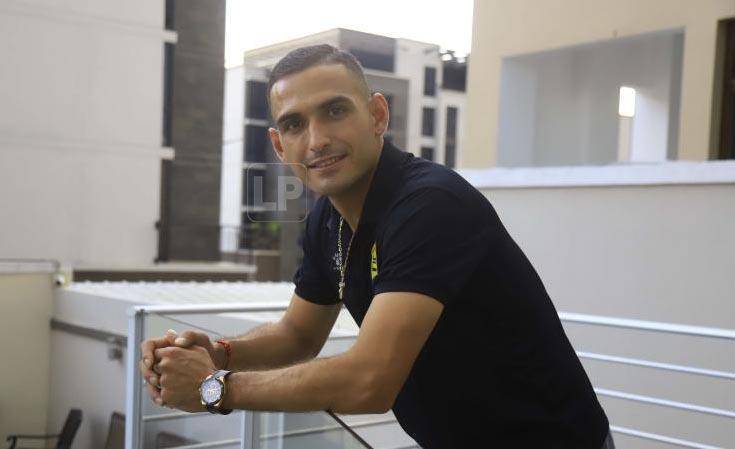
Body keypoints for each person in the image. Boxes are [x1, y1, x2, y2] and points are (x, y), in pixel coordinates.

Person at [140, 44, 614, 448]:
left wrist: (216, 388)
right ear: (279, 146)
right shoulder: (327, 218)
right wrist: (220, 353)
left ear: (377, 115)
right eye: (295, 124)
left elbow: (370, 381)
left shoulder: (431, 205)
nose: (317, 140)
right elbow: (298, 335)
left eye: (335, 111)